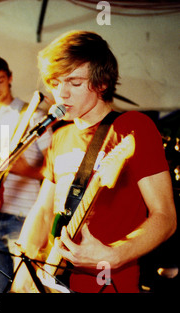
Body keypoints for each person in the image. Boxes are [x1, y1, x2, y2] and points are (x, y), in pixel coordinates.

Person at [11, 30, 177, 293]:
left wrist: (116, 254)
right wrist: (24, 266)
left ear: (101, 83)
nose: (61, 94)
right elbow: (43, 211)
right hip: (56, 281)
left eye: (74, 83)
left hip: (110, 284)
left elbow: (166, 217)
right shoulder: (60, 136)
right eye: (55, 82)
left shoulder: (132, 128)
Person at [0, 55, 52, 293]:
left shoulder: (33, 117)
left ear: (10, 79)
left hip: (25, 217)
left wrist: (25, 169)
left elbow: (56, 173)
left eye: (0, 81)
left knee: (28, 288)